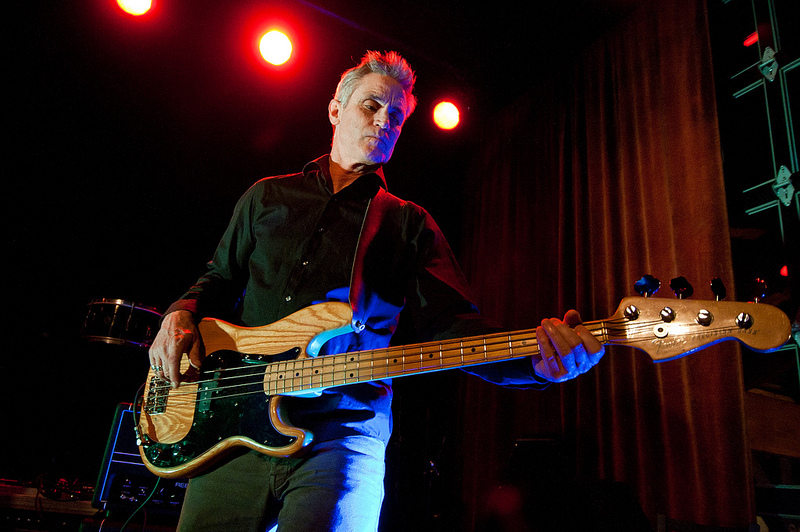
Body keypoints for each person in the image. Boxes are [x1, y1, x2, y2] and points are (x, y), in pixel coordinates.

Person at [148, 50, 604, 532]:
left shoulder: (408, 223)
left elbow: (454, 327)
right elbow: (218, 279)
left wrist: (535, 362)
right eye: (371, 106)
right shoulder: (267, 196)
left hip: (343, 432)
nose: (385, 120)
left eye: (398, 116)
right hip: (233, 424)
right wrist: (180, 312)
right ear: (335, 110)